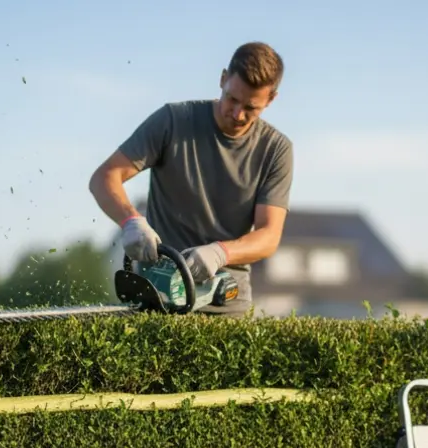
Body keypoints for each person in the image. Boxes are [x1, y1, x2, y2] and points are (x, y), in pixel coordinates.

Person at [88, 41, 294, 317]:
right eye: (232, 99)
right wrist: (130, 221)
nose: (237, 114)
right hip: (159, 296)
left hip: (226, 303)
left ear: (271, 99)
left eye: (251, 108)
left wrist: (220, 253)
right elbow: (105, 177)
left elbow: (269, 236)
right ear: (222, 79)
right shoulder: (174, 121)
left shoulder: (275, 149)